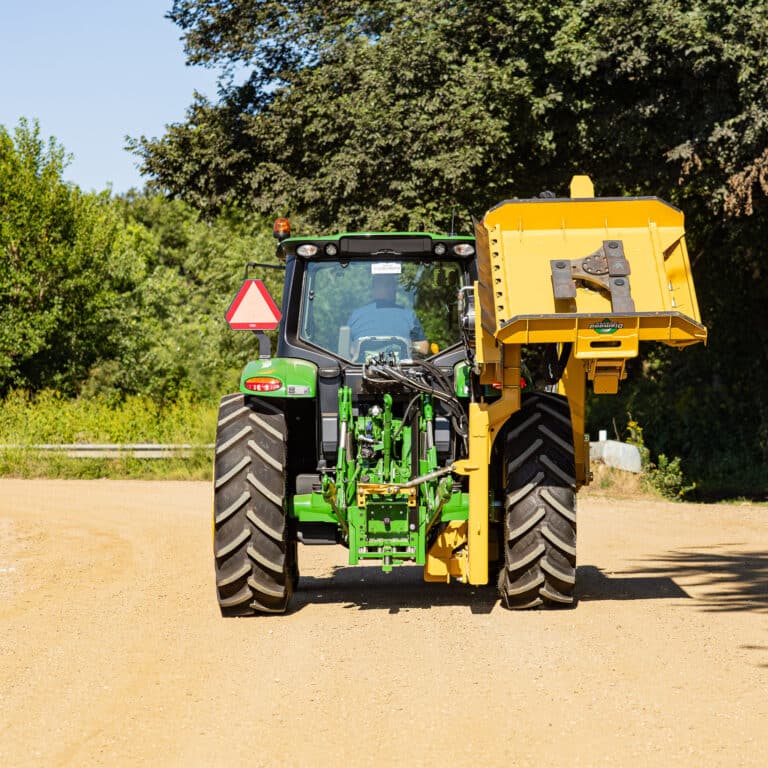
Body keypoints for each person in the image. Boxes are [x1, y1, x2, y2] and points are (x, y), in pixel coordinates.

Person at [347, 272, 428, 358]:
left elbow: (348, 350)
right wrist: (408, 347)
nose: (394, 289)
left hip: (360, 370)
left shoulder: (356, 316)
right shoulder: (408, 315)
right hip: (402, 370)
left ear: (373, 289)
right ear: (392, 288)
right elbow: (423, 349)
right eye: (392, 285)